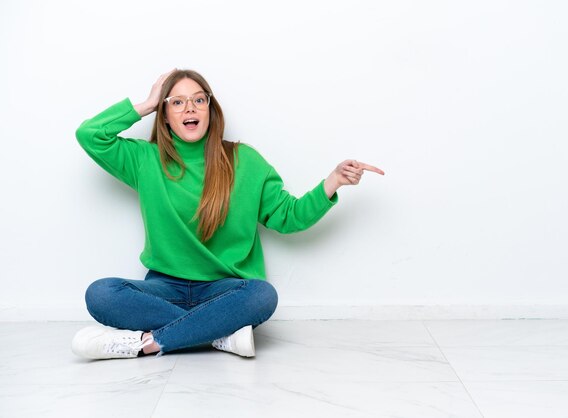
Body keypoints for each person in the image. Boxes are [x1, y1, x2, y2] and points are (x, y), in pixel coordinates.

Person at [71, 69, 384, 360]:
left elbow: (289, 217)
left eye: (198, 100)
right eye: (176, 102)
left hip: (226, 291)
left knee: (262, 296)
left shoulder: (245, 160)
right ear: (164, 116)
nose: (189, 108)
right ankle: (221, 334)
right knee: (101, 294)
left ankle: (148, 343)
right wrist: (147, 103)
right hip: (164, 290)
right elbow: (90, 134)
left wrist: (334, 181)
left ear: (210, 109)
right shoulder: (144, 159)